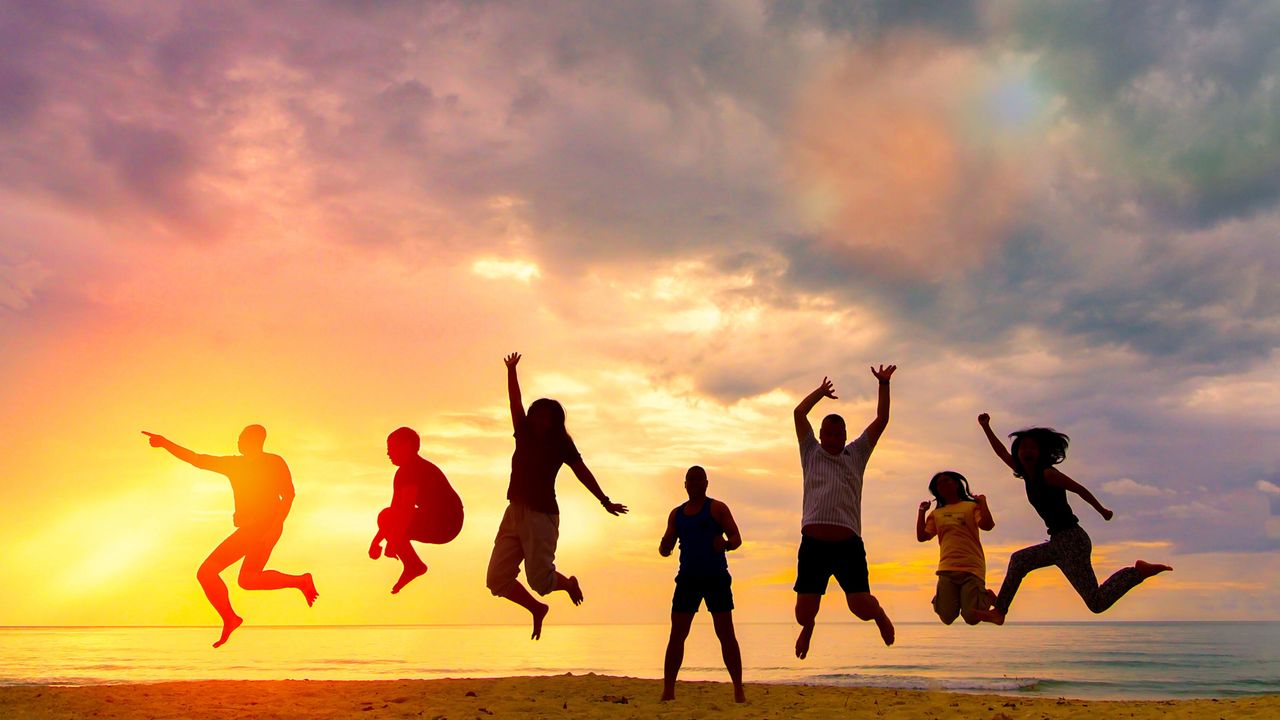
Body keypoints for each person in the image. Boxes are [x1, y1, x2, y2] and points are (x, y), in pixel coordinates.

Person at [972, 414, 1172, 624]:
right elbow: (1001, 452)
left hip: (1072, 540)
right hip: (1059, 542)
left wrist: (1101, 510)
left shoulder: (1048, 474)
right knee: (1022, 562)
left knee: (1094, 602)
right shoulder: (1024, 473)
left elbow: (1079, 489)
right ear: (1018, 453)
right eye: (1023, 448)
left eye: (1032, 447)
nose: (1027, 451)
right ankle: (1001, 609)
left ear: (1041, 452)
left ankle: (1137, 572)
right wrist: (986, 427)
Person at [485, 352, 627, 639]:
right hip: (514, 512)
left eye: (545, 417)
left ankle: (568, 584)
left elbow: (582, 472)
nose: (539, 420)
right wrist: (511, 371)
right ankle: (537, 609)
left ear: (554, 422)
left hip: (541, 515)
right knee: (496, 579)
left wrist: (604, 500)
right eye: (536, 414)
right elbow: (514, 402)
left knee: (541, 580)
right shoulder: (522, 432)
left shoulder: (561, 444)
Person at [142, 425, 317, 648]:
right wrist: (166, 443)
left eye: (241, 438)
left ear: (254, 440)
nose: (238, 442)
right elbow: (197, 459)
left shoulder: (274, 462)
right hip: (254, 528)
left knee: (208, 572)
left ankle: (231, 618)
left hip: (263, 527)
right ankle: (299, 581)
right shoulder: (234, 465)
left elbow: (289, 495)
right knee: (247, 579)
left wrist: (275, 527)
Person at [791, 367, 896, 660]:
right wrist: (820, 394)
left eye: (840, 433)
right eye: (830, 433)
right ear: (821, 435)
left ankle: (879, 615)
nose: (835, 437)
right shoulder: (810, 451)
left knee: (860, 607)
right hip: (813, 545)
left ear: (846, 436)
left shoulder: (856, 454)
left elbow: (882, 420)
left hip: (847, 545)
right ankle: (809, 628)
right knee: (803, 614)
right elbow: (799, 414)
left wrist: (884, 384)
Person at [659, 466, 746, 704]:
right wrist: (665, 546)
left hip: (715, 577)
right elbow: (665, 547)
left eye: (699, 480)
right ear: (685, 484)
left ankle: (738, 690)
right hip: (687, 579)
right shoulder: (676, 514)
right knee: (677, 634)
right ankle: (668, 692)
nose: (695, 485)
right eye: (691, 481)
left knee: (726, 634)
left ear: (706, 483)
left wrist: (726, 545)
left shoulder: (717, 508)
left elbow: (737, 538)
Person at [369, 427, 464, 594]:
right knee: (387, 517)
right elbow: (395, 512)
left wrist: (394, 541)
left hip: (447, 522)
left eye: (391, 447)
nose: (388, 453)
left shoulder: (412, 469)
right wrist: (377, 541)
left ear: (407, 446)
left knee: (388, 518)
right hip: (438, 521)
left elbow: (406, 511)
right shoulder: (402, 474)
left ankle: (413, 565)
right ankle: (413, 564)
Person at [915, 470, 997, 625]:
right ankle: (944, 599)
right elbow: (922, 537)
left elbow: (987, 525)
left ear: (957, 484)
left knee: (972, 618)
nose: (943, 485)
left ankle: (986, 597)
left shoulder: (971, 507)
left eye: (946, 481)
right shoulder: (936, 514)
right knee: (946, 617)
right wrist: (921, 512)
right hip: (947, 567)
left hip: (972, 568)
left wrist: (983, 502)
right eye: (939, 484)